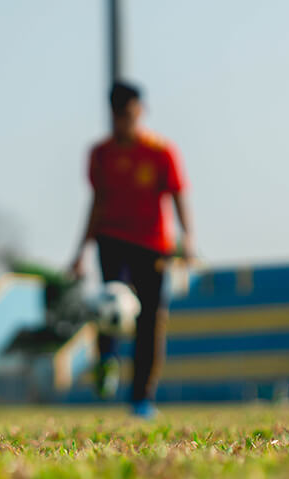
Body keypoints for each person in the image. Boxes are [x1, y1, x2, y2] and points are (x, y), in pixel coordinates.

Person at [71, 81, 195, 419]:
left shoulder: (160, 152)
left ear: (141, 111)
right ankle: (107, 359)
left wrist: (188, 240)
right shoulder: (101, 154)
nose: (125, 120)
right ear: (111, 114)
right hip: (112, 240)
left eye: (130, 113)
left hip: (154, 246)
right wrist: (80, 251)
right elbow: (96, 202)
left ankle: (142, 398)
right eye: (119, 114)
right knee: (110, 301)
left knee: (150, 322)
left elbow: (178, 194)